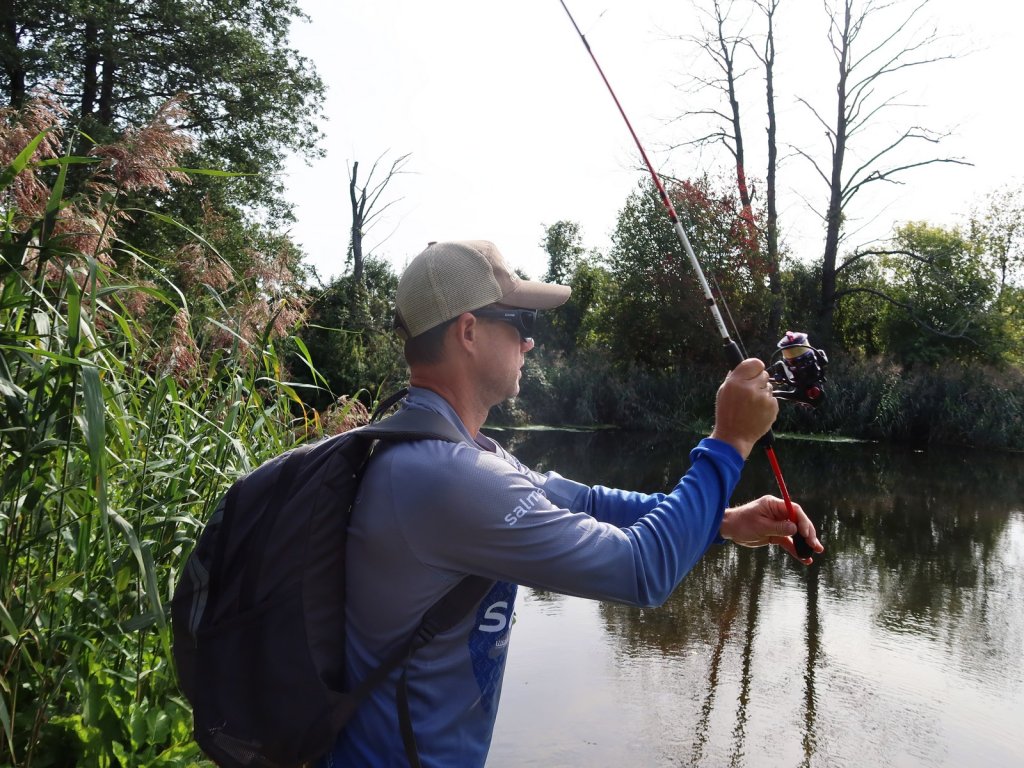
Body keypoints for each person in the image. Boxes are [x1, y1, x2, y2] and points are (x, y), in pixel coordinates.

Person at [322, 240, 823, 767]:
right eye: (519, 321)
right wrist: (729, 444)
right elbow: (642, 571)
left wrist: (721, 522)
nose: (529, 341)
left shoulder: (455, 454)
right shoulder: (446, 477)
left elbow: (589, 505)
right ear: (468, 331)